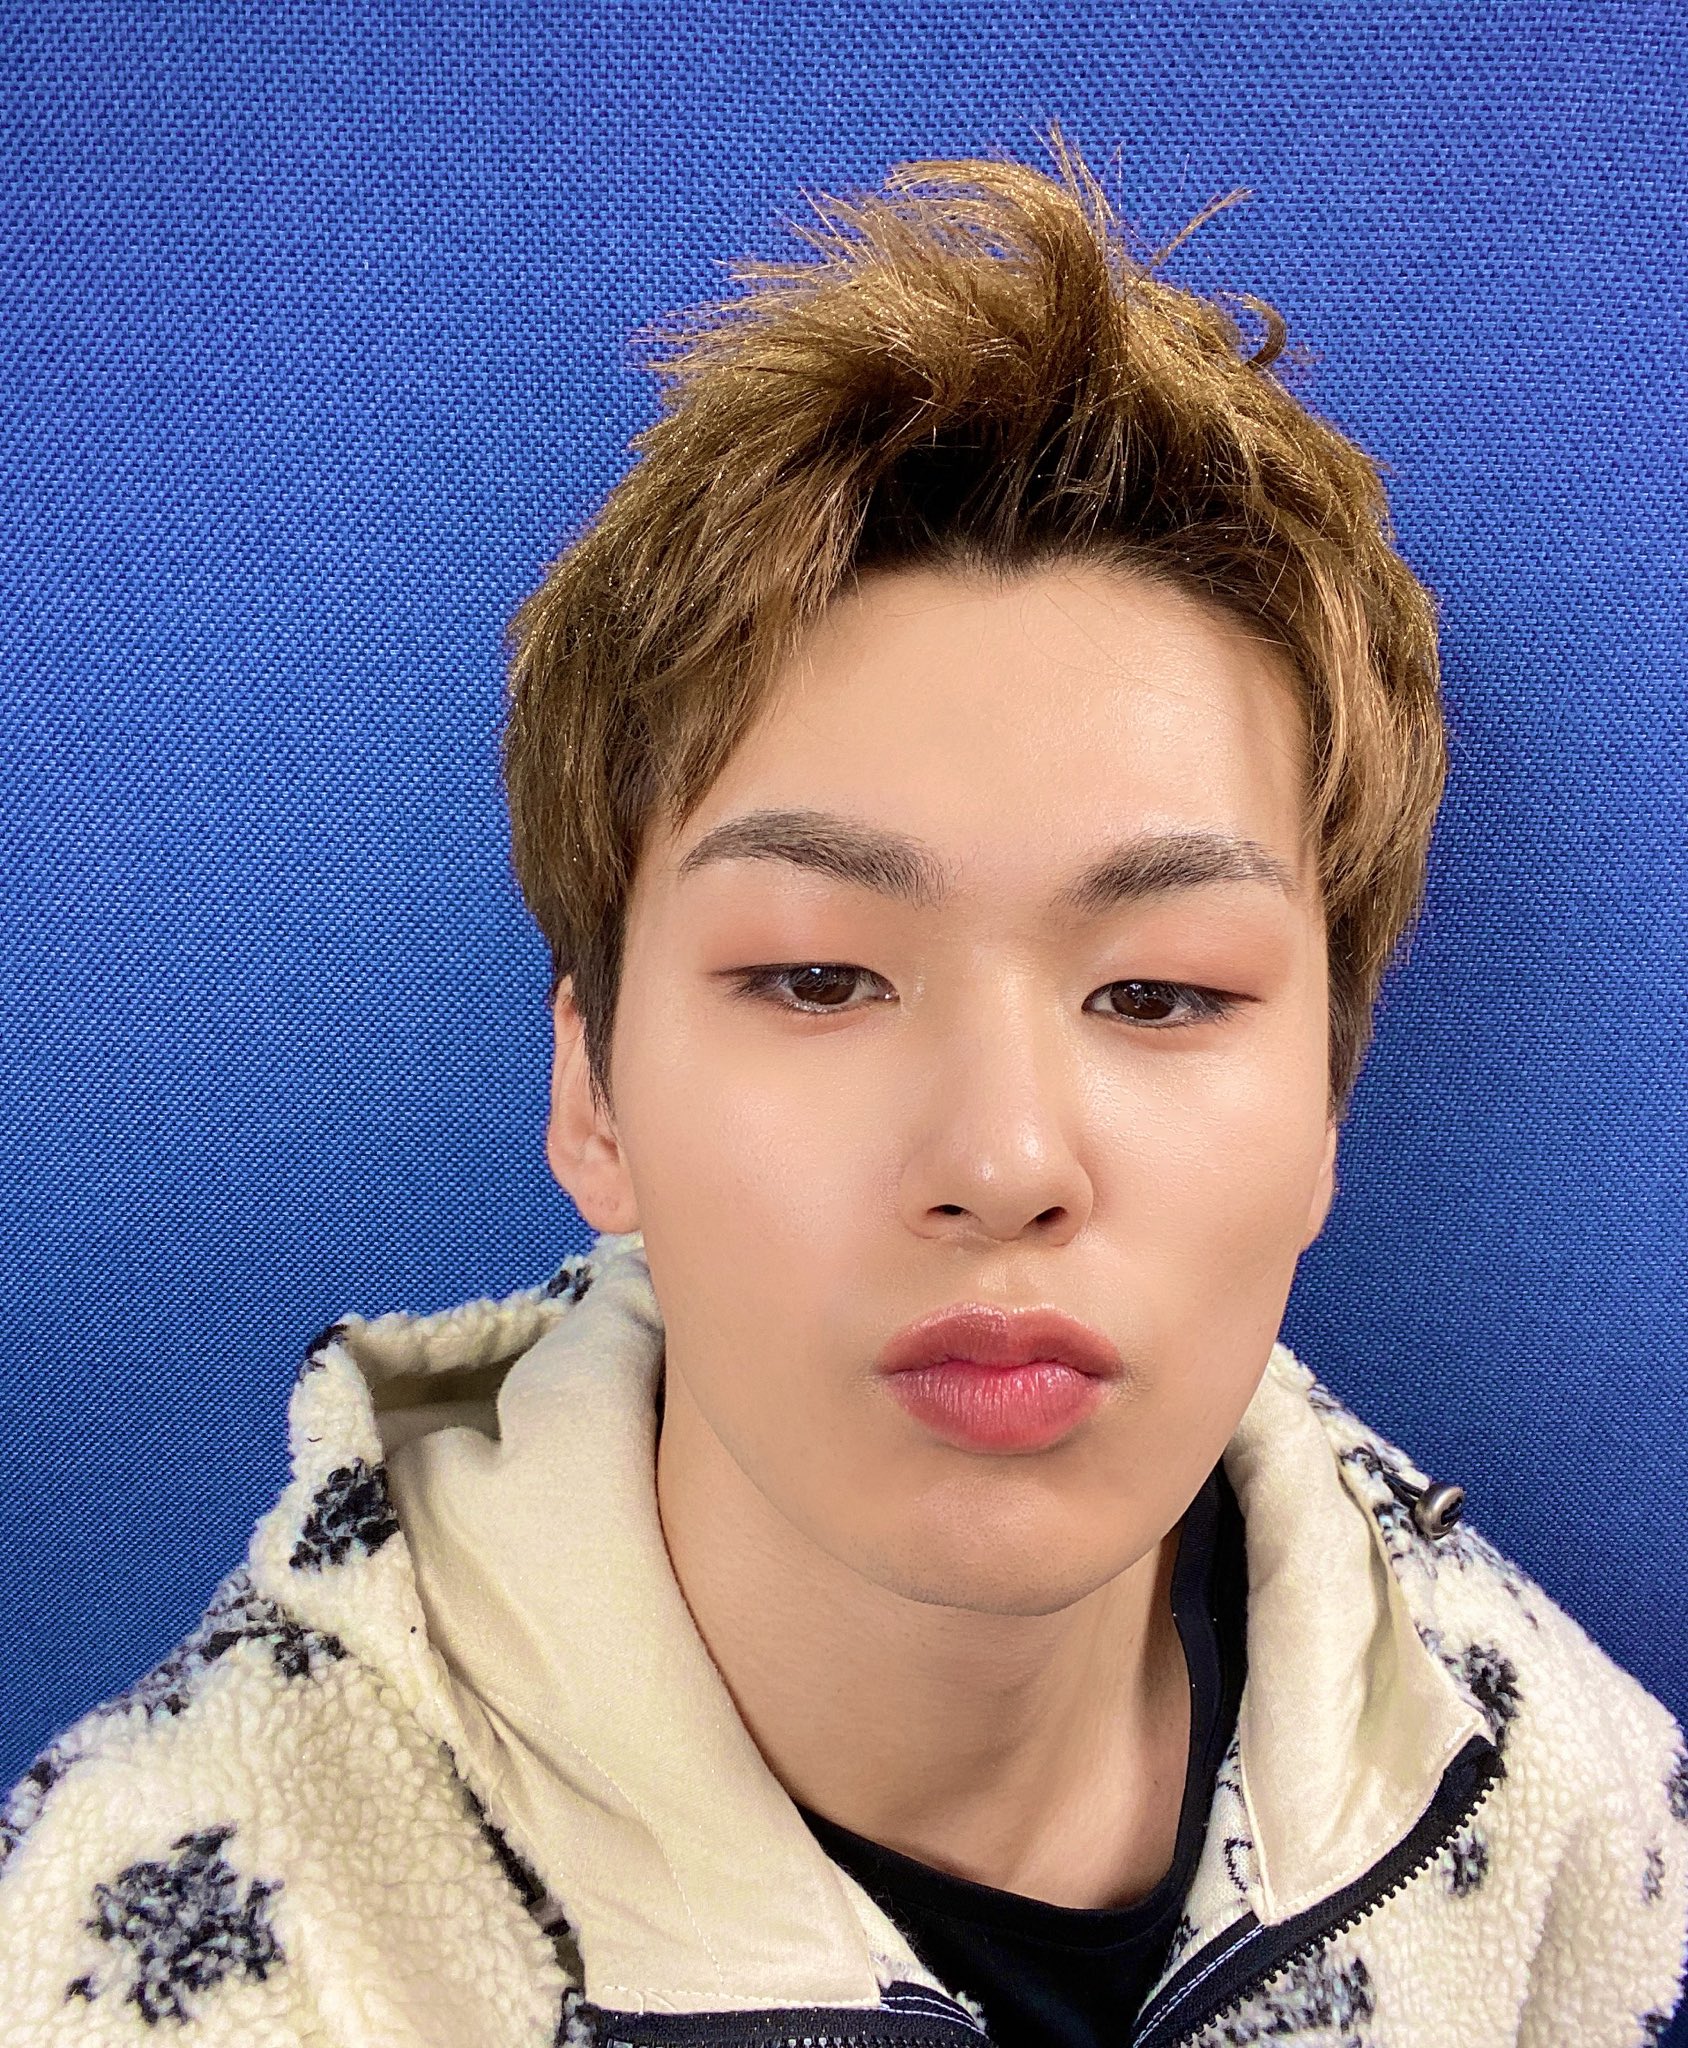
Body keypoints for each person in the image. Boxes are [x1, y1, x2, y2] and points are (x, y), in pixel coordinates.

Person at [1, 136, 1682, 2048]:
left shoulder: (1558, 1810)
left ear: (1326, 1117)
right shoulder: (164, 1966)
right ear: (594, 1095)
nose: (1003, 1160)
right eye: (817, 977)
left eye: (1160, 990)